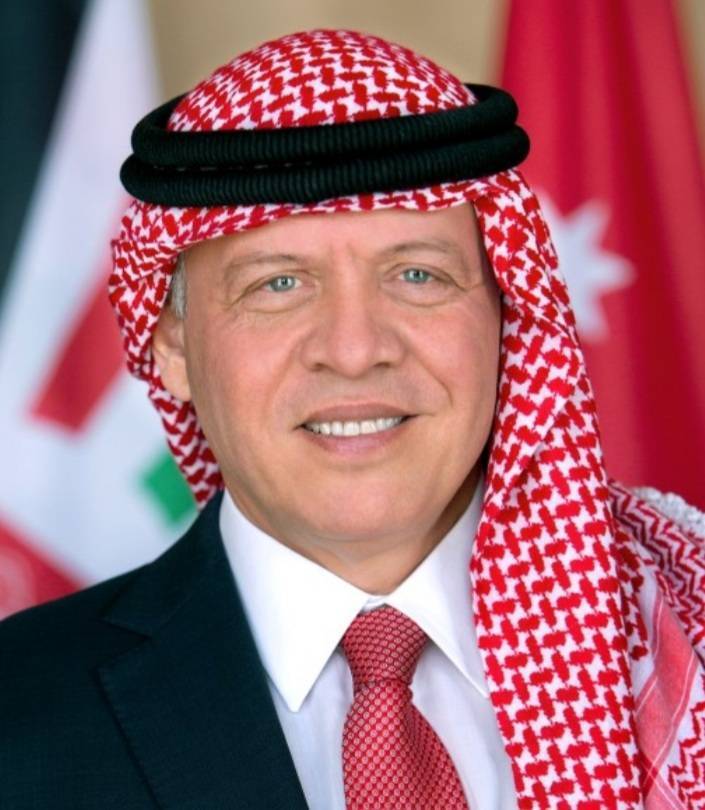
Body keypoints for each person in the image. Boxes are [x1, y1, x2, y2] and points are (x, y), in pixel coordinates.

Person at [1, 29, 704, 810]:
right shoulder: (17, 720)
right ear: (171, 347)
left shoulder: (681, 628)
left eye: (417, 275)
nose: (354, 350)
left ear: (508, 316)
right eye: (277, 284)